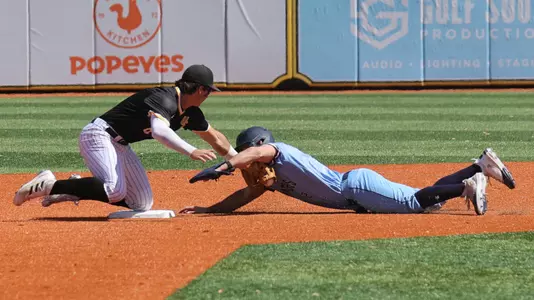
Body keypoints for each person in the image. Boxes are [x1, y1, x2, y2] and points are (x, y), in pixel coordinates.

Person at [14, 64, 238, 211]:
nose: (209, 95)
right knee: (114, 190)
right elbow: (160, 132)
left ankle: (74, 187)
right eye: (208, 90)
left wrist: (239, 160)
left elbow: (215, 138)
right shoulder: (165, 99)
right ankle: (48, 184)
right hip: (99, 135)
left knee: (142, 203)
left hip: (120, 144)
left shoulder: (190, 112)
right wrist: (191, 151)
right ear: (198, 88)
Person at [180, 126, 516, 215]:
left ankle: (467, 186)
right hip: (357, 188)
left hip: (355, 190)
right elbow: (244, 195)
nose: (248, 161)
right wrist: (210, 209)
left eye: (248, 154)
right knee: (424, 197)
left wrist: (224, 166)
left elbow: (253, 152)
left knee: (416, 203)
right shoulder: (270, 177)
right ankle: (478, 166)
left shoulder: (278, 153)